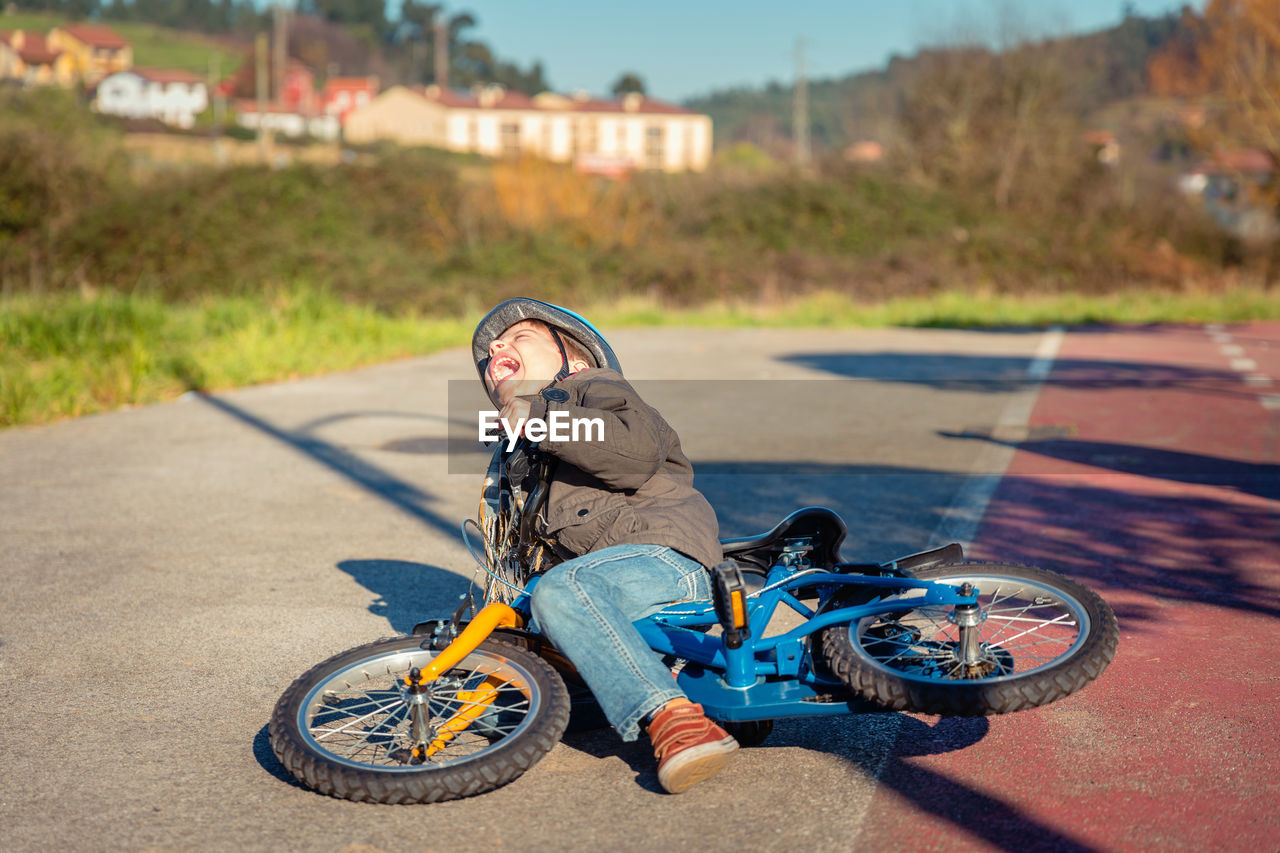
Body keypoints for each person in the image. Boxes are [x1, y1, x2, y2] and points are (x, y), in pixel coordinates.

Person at [471, 297, 738, 794]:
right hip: (600, 581)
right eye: (490, 355)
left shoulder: (598, 390)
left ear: (573, 360)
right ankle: (659, 688)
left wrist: (537, 418)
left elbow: (632, 455)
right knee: (503, 711)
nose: (496, 348)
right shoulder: (527, 453)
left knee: (560, 591)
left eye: (520, 338)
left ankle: (675, 719)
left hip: (661, 554)